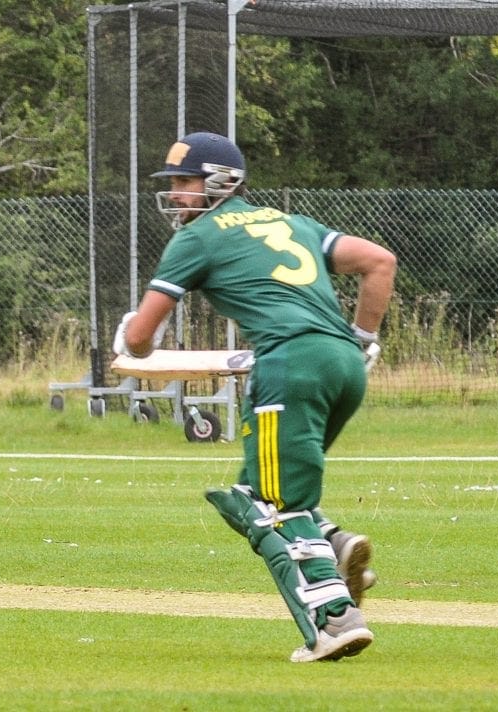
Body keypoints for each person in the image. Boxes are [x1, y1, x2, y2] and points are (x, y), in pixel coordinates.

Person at [112, 132, 396, 662]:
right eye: (172, 183)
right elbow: (379, 261)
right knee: (256, 491)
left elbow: (141, 339)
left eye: (183, 181)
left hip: (290, 366)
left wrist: (128, 332)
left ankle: (336, 618)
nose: (175, 193)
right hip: (342, 366)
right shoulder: (290, 222)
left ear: (220, 181)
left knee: (272, 503)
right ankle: (334, 544)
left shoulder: (196, 238)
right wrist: (360, 338)